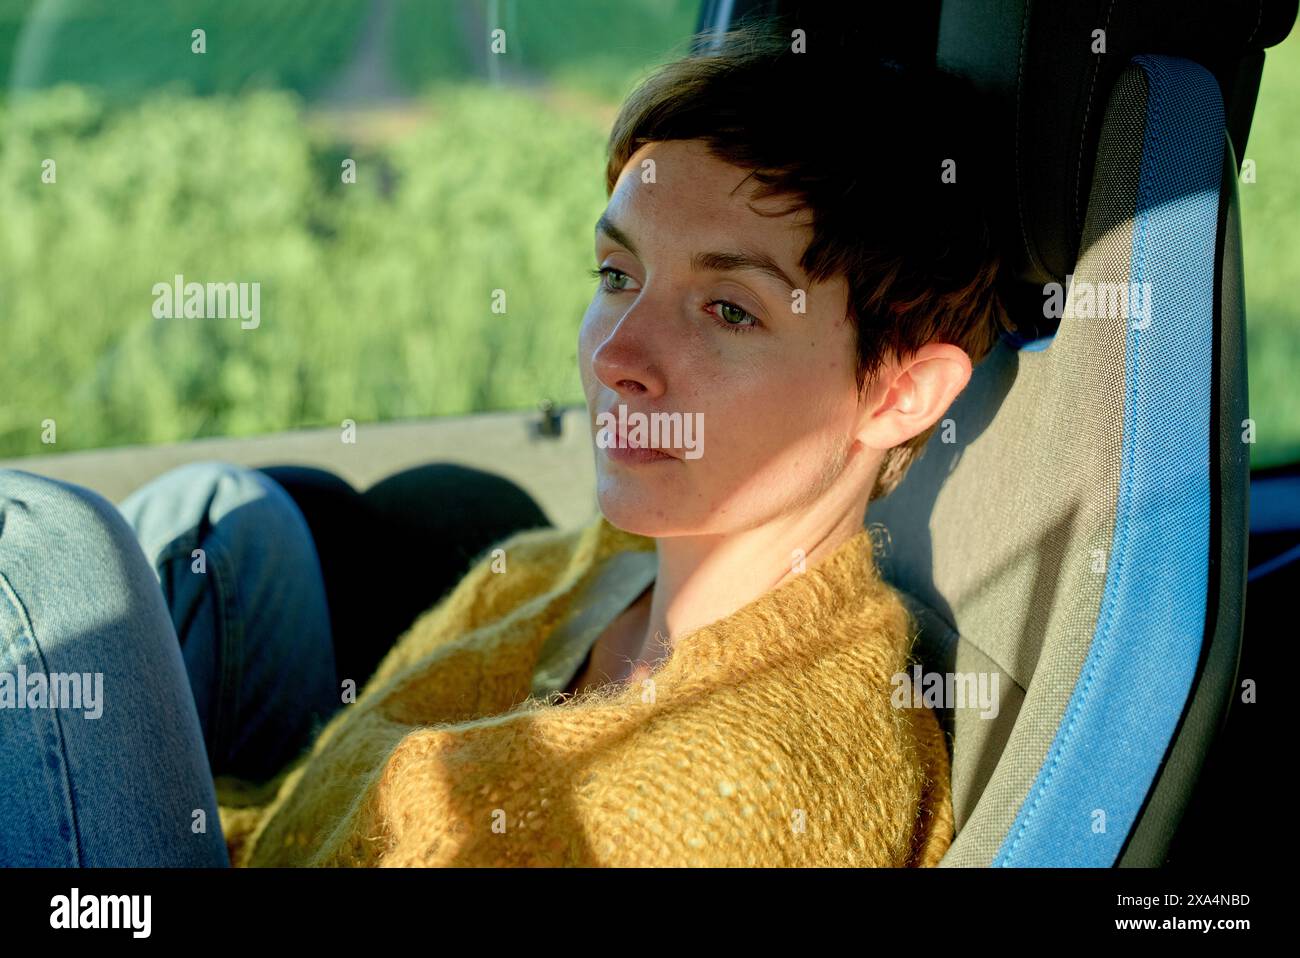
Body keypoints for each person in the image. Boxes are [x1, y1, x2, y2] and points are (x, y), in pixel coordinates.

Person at [1, 22, 1010, 867]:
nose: (617, 355)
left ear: (899, 391)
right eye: (617, 275)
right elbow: (303, 812)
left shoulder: (743, 798)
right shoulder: (576, 572)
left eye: (726, 309)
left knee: (51, 551)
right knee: (221, 521)